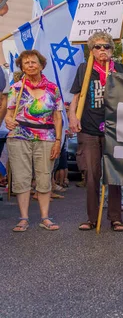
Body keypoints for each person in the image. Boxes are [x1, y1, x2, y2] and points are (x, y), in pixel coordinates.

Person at [69, 32, 123, 232]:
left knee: (114, 174)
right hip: (88, 127)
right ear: (91, 50)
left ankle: (116, 218)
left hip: (115, 129)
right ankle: (91, 218)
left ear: (112, 50)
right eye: (97, 47)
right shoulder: (84, 69)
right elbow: (76, 97)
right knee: (92, 175)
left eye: (106, 46)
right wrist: (72, 117)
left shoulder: (120, 69)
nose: (102, 49)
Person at [5, 49, 63, 232]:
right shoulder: (16, 87)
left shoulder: (53, 88)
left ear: (41, 64)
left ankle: (45, 217)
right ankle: (23, 218)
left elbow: (58, 117)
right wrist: (8, 119)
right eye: (26, 63)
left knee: (44, 177)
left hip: (46, 137)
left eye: (33, 62)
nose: (30, 65)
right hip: (19, 137)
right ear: (22, 67)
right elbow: (9, 112)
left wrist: (58, 141)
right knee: (21, 178)